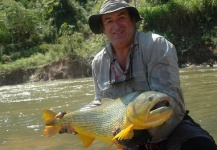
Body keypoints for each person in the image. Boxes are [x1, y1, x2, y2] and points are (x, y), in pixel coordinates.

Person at [56, 0, 217, 149]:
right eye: (109, 21)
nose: (116, 25)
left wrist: (144, 134)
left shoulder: (156, 46)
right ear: (102, 29)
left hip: (172, 131)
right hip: (127, 139)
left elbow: (171, 100)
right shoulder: (98, 62)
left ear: (132, 20)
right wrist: (73, 119)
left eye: (121, 17)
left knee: (201, 145)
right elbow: (101, 104)